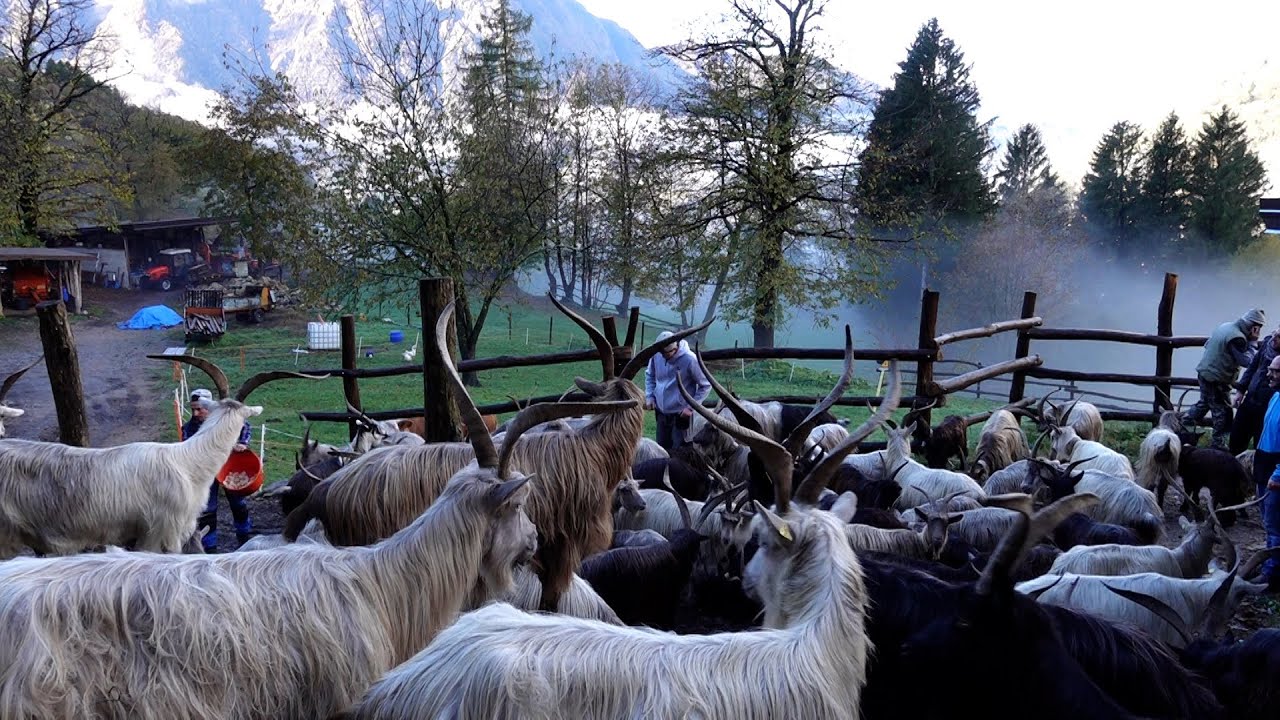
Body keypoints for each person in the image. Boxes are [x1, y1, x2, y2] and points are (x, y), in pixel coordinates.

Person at [1182, 308, 1265, 450]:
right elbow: (1248, 361)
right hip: (1216, 379)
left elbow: (1207, 344)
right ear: (1254, 326)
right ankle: (1218, 445)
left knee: (1204, 403)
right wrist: (1253, 342)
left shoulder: (1226, 326)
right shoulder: (1238, 338)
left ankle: (1181, 424)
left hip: (1205, 372)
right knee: (1223, 413)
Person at [182, 388, 254, 552]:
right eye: (193, 409)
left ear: (210, 407)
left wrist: (242, 442)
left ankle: (244, 537)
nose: (195, 413)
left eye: (199, 409)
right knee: (208, 508)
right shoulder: (189, 428)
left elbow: (245, 426)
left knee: (238, 503)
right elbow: (186, 447)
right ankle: (209, 545)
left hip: (230, 469)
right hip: (206, 473)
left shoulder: (224, 420)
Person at [644, 330, 711, 451]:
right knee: (661, 449)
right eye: (662, 353)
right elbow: (650, 375)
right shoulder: (657, 355)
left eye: (668, 353)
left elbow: (705, 385)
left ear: (676, 348)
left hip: (680, 415)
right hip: (661, 413)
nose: (665, 356)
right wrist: (650, 396)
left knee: (679, 451)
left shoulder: (690, 359)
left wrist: (690, 408)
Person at [1247, 355, 1280, 592]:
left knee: (1274, 523)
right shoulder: (1275, 396)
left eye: (1275, 371)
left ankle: (1273, 576)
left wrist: (1278, 474)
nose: (1269, 374)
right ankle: (1270, 562)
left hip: (1276, 468)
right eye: (1269, 369)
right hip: (1264, 462)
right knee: (1267, 521)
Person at [1230, 325, 1280, 455]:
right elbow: (1252, 367)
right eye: (1275, 333)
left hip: (1269, 406)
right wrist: (1240, 390)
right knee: (1236, 440)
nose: (1274, 338)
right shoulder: (1268, 343)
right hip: (1251, 398)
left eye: (1279, 337)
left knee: (1261, 447)